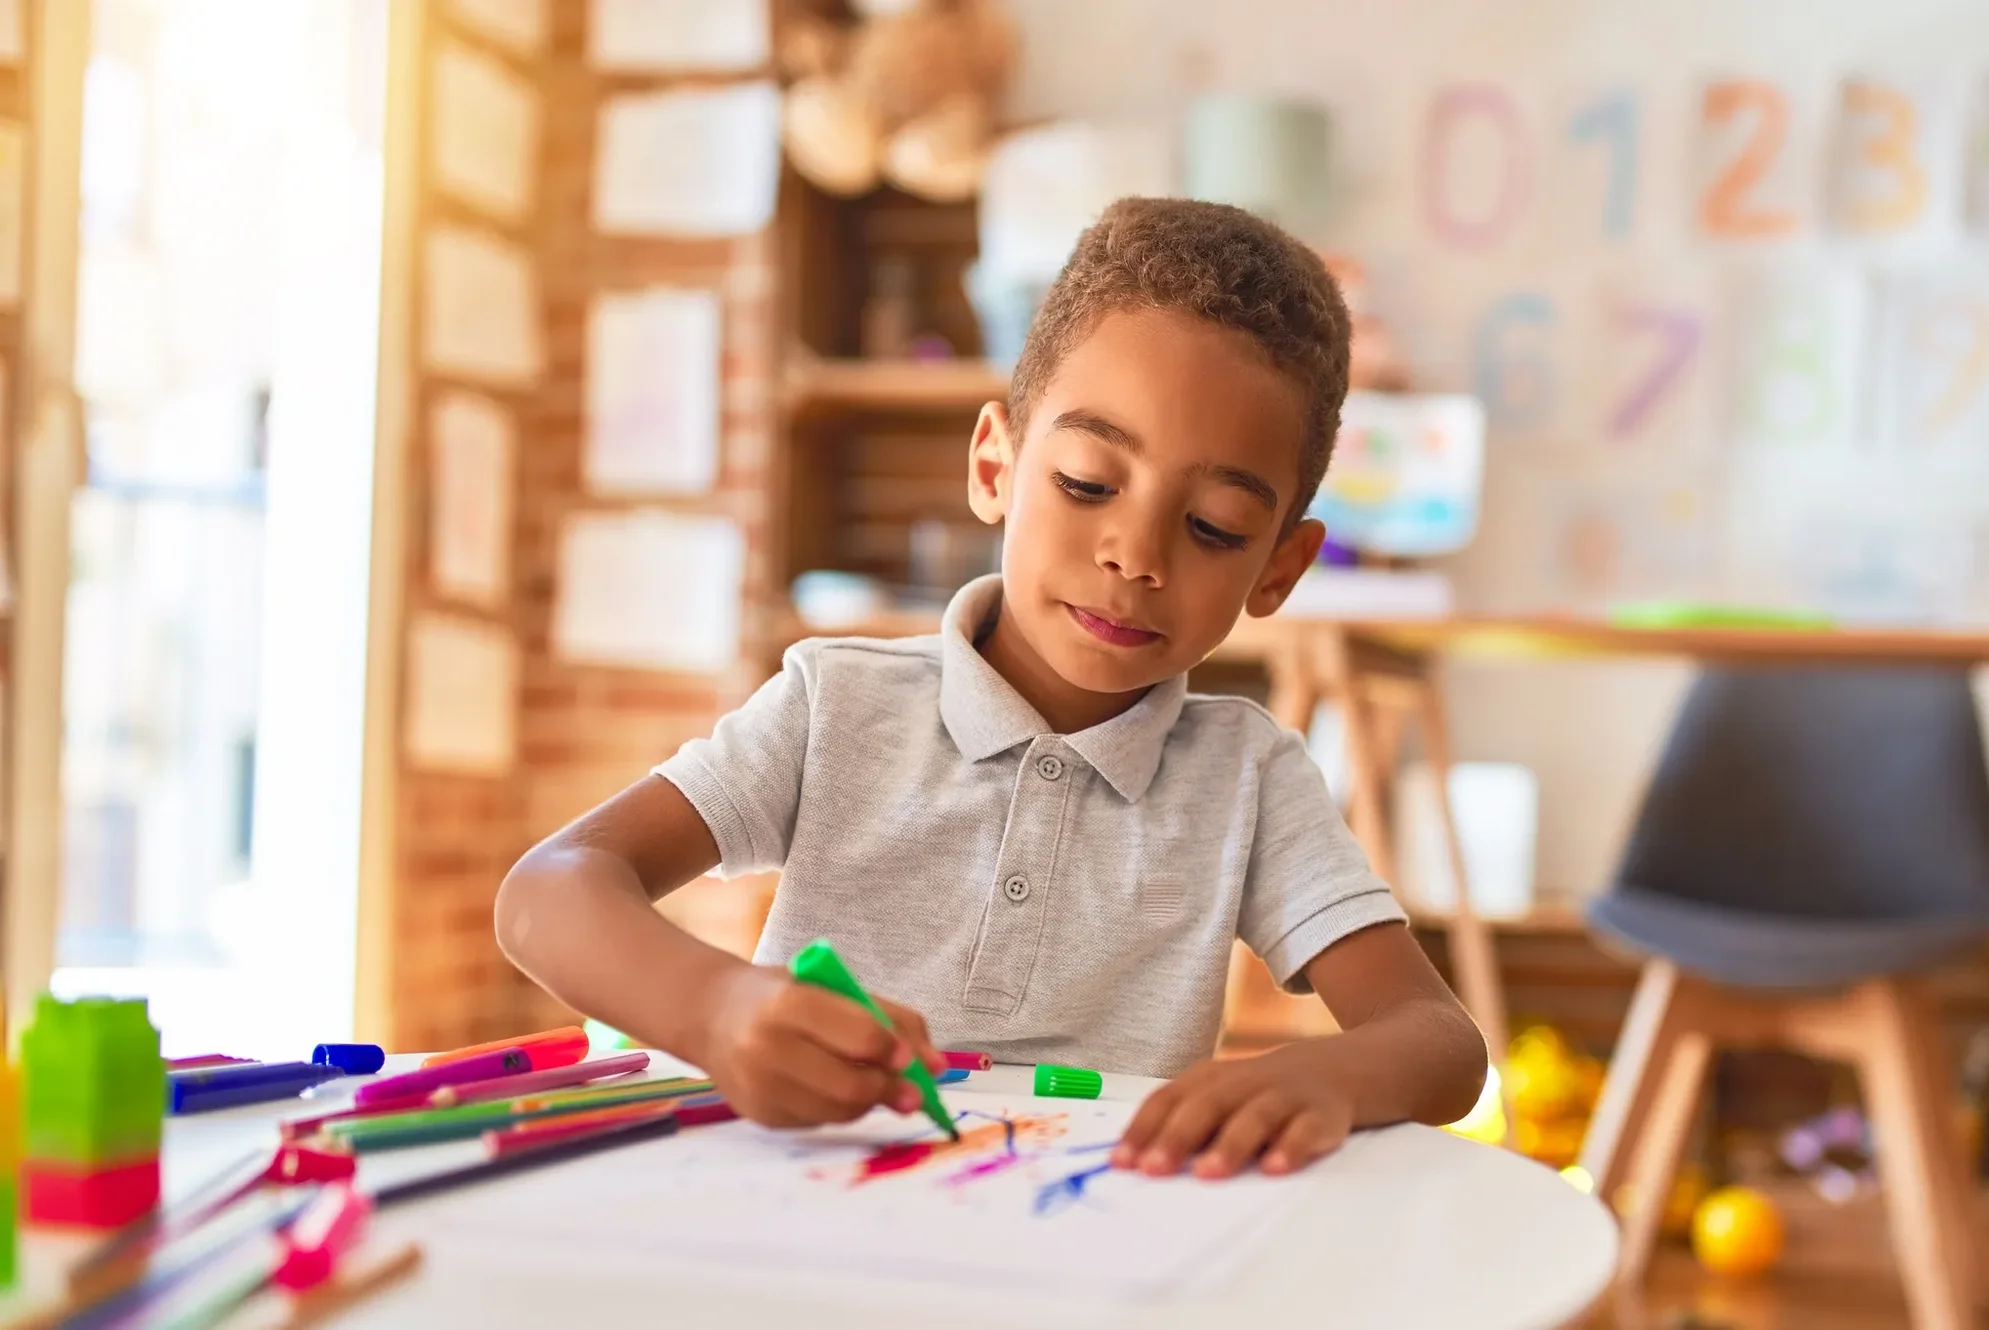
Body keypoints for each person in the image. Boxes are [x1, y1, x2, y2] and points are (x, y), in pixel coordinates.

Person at [496, 197, 1487, 1180]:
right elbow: (549, 890)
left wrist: (1328, 1075)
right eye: (1090, 483)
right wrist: (715, 1010)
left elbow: (1440, 1040)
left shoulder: (1250, 778)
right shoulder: (834, 704)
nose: (1134, 555)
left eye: (1216, 526)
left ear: (1277, 568)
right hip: (812, 1221)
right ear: (995, 464)